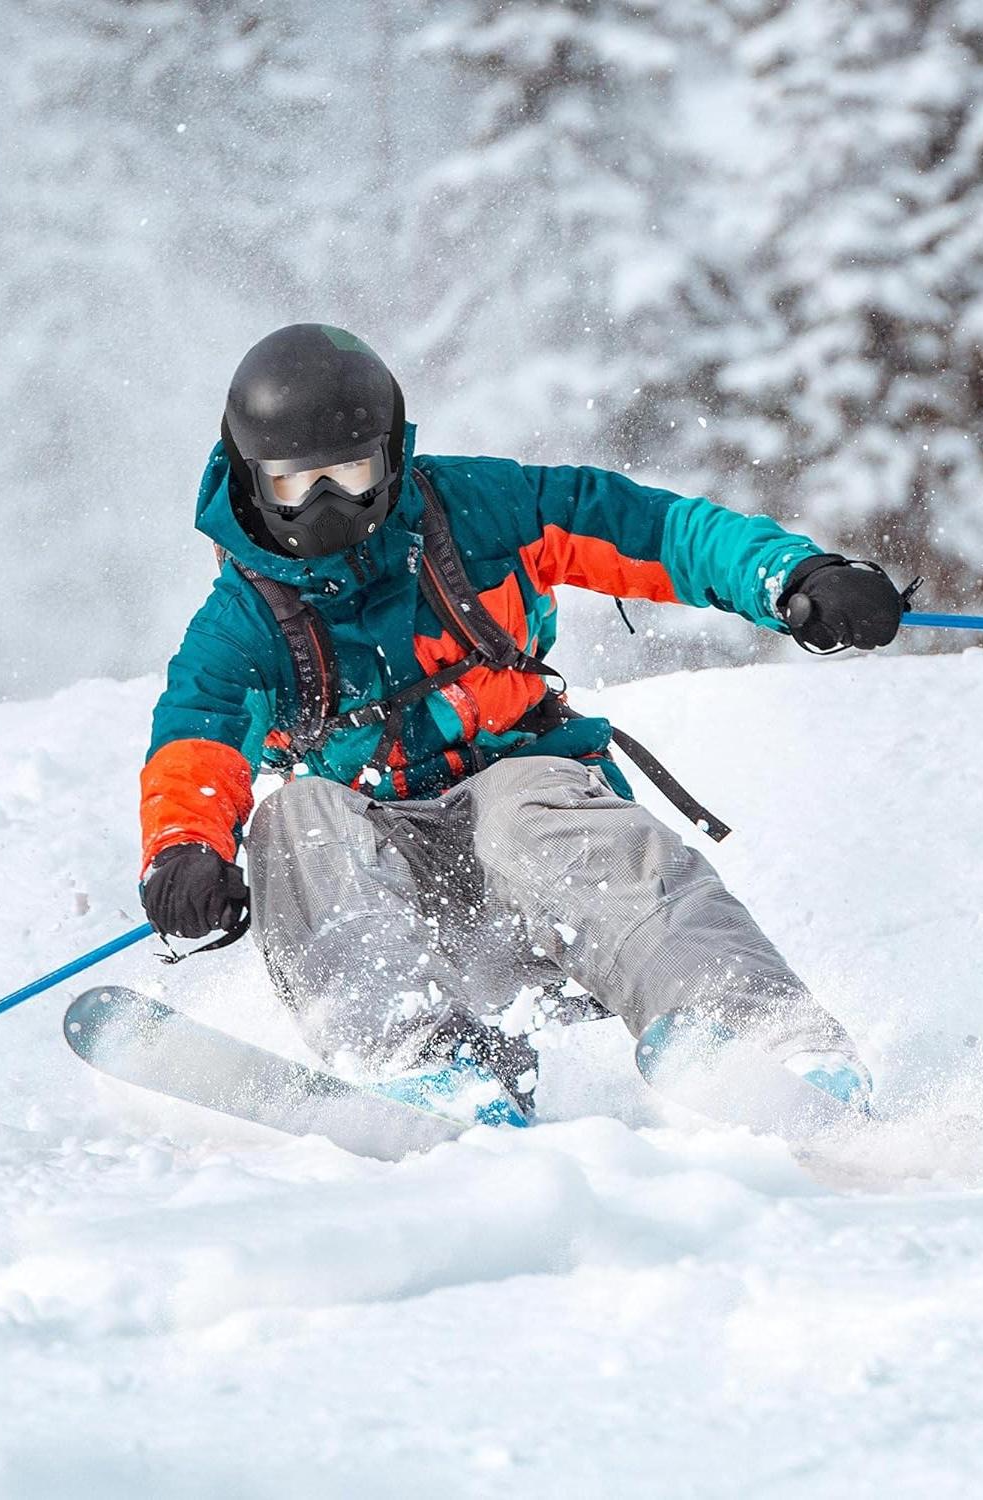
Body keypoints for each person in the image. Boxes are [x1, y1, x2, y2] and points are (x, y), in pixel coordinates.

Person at [138, 323, 905, 1128]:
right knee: (295, 820)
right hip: (390, 893)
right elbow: (197, 734)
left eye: (354, 473)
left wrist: (792, 577)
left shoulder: (481, 513)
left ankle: (762, 1036)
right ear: (256, 482)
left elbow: (653, 530)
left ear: (392, 455)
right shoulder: (240, 624)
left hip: (544, 857)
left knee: (524, 804)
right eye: (302, 486)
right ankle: (426, 1065)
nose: (332, 505)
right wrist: (185, 849)